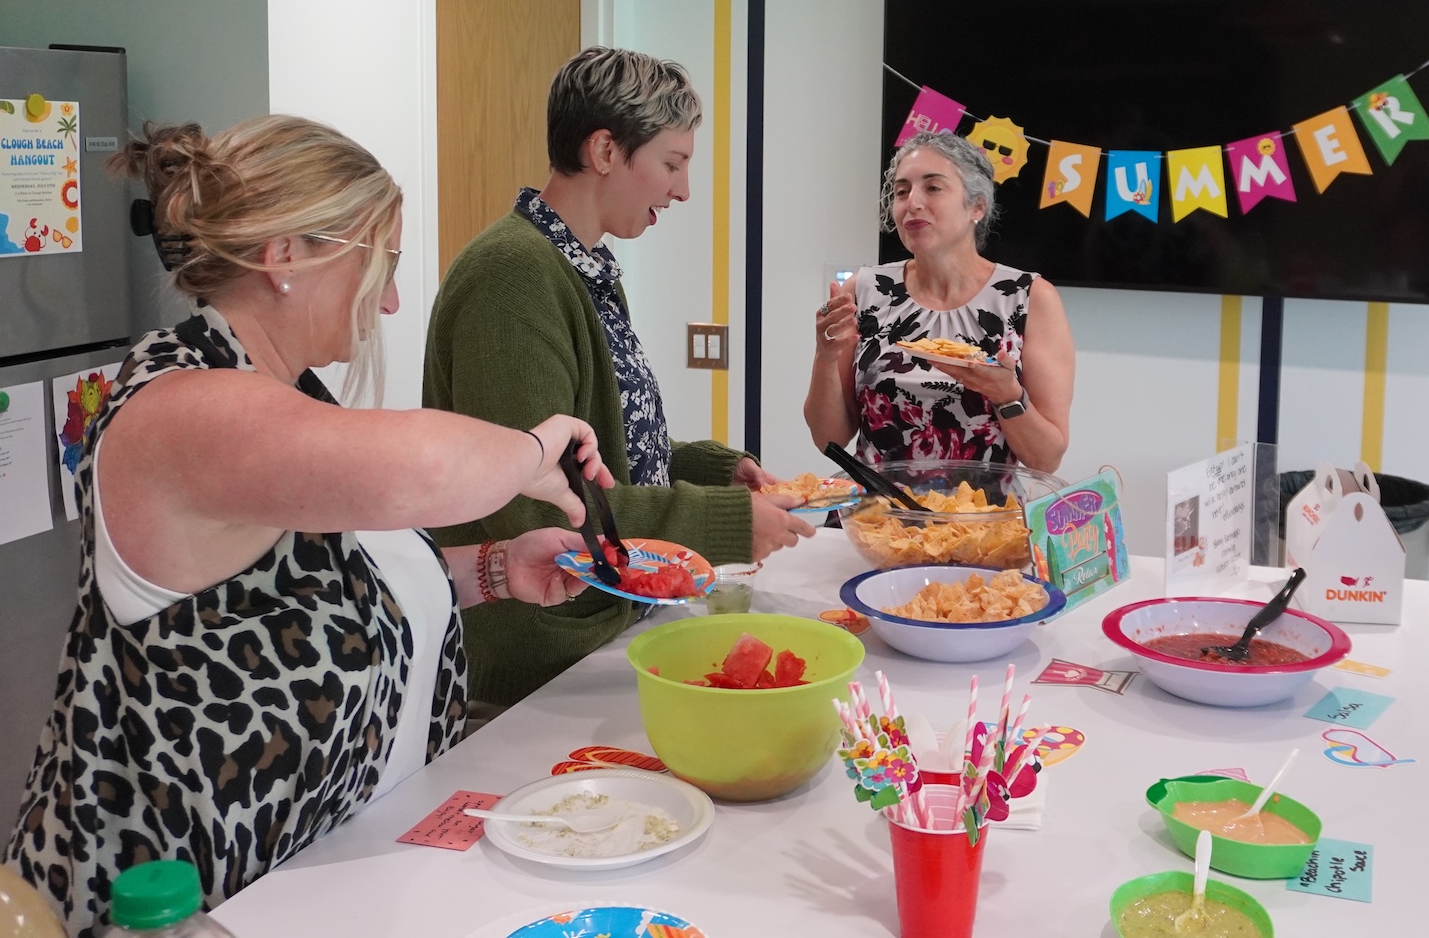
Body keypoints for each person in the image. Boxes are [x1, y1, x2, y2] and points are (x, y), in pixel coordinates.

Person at [5, 117, 612, 938]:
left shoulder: (285, 392)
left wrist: (499, 567)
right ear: (285, 255)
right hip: (166, 912)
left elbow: (321, 591)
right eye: (382, 260)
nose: (391, 297)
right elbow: (427, 471)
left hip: (309, 893)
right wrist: (539, 445)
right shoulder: (184, 407)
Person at [424, 46, 813, 707]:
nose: (683, 189)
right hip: (539, 657)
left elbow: (598, 454)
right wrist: (720, 521)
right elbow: (536, 498)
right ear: (605, 150)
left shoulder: (581, 267)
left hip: (600, 626)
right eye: (672, 163)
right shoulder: (513, 276)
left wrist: (709, 468)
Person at [805, 130, 1074, 471]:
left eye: (933, 187)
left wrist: (1008, 396)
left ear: (977, 205)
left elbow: (1046, 459)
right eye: (902, 191)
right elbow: (827, 439)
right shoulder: (866, 289)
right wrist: (825, 355)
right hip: (874, 516)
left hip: (980, 519)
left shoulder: (1029, 298)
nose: (912, 203)